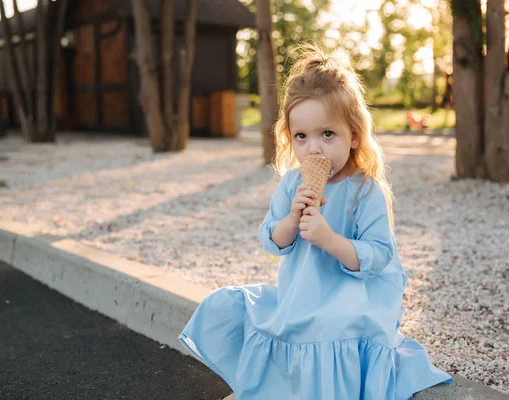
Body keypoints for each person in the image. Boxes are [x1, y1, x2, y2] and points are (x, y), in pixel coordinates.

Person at [179, 44, 452, 399]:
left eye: (328, 134)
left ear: (353, 135)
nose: (314, 149)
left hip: (349, 300)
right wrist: (292, 219)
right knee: (234, 307)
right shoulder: (292, 183)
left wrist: (330, 239)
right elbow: (270, 239)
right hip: (299, 294)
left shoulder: (364, 191)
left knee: (328, 327)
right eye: (301, 137)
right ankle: (260, 388)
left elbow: (379, 254)